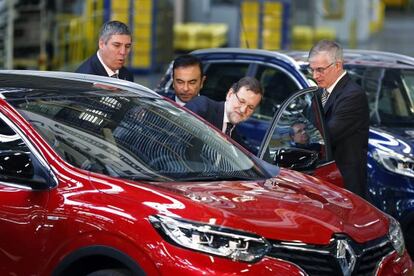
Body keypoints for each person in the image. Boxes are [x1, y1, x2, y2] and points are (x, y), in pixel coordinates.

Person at [308, 40, 369, 198]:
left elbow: (326, 135)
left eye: (320, 70)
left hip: (345, 184)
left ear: (338, 65)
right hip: (325, 180)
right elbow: (306, 121)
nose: (315, 76)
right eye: (312, 70)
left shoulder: (352, 95)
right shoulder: (322, 91)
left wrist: (303, 134)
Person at [184, 76, 262, 145]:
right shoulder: (203, 107)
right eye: (241, 101)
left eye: (250, 107)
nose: (243, 110)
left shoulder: (236, 138)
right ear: (230, 94)